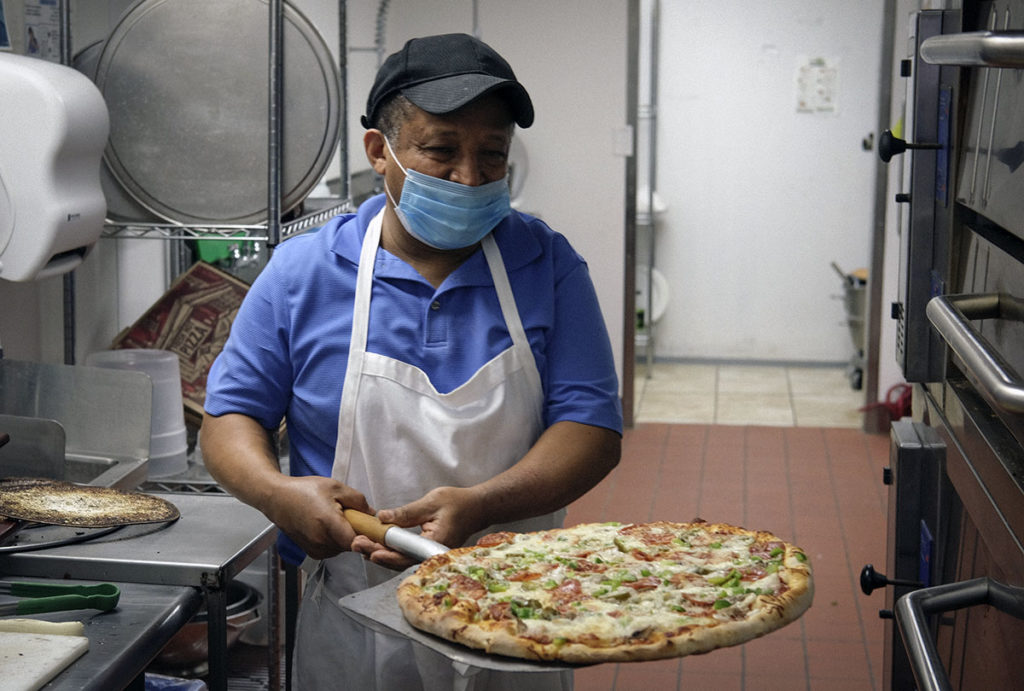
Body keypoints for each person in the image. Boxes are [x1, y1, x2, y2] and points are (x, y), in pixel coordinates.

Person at [200, 32, 622, 690]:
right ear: (380, 151)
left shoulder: (546, 265)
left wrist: (482, 505)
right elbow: (230, 418)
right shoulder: (304, 273)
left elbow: (593, 430)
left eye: (492, 157)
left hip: (517, 617)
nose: (469, 178)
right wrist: (279, 493)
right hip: (352, 628)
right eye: (441, 151)